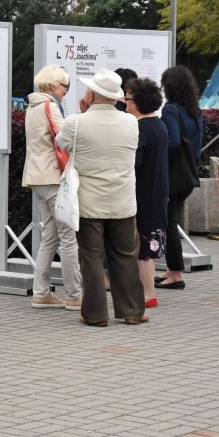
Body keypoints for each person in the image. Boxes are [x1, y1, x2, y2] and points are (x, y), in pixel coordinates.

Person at [56, 68, 145, 326]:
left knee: (91, 257)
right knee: (126, 254)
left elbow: (61, 144)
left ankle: (95, 315)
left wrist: (83, 114)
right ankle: (132, 312)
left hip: (88, 201)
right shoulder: (130, 122)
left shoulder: (76, 122)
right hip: (123, 200)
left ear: (92, 94)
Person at [23, 65, 82, 312]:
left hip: (37, 176)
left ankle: (41, 293)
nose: (65, 91)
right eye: (63, 86)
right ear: (51, 85)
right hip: (53, 177)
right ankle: (74, 295)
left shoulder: (33, 106)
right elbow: (67, 136)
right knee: (68, 237)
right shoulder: (49, 106)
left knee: (50, 235)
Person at [157, 65, 203, 290]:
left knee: (168, 223)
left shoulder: (170, 110)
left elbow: (173, 142)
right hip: (188, 174)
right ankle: (170, 270)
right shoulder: (194, 111)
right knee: (171, 220)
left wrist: (158, 160)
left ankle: (175, 273)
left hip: (173, 175)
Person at [125, 77, 168, 307]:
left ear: (138, 101)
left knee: (144, 246)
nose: (125, 102)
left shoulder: (141, 128)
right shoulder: (159, 125)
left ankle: (148, 295)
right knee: (150, 242)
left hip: (143, 193)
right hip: (158, 191)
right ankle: (148, 293)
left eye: (128, 98)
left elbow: (134, 162)